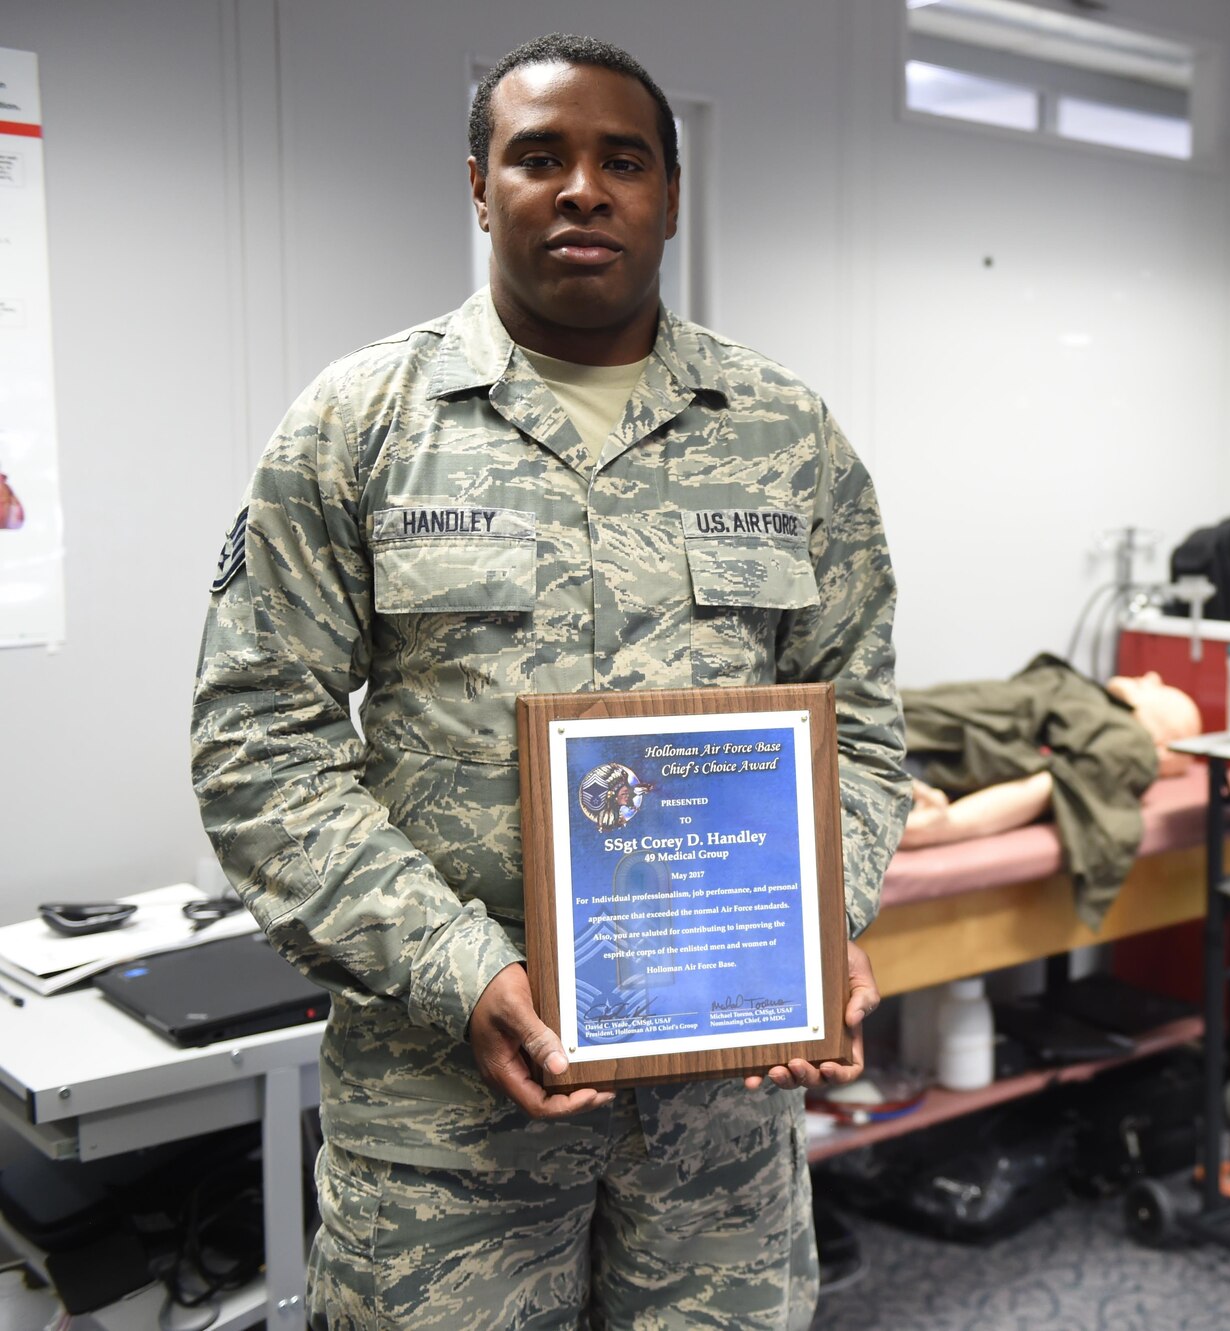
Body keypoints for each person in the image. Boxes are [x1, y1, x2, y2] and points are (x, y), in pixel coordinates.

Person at [189, 33, 909, 1330]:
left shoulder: (786, 437)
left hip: (720, 1127)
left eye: (622, 159)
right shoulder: (360, 425)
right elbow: (261, 741)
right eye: (539, 156)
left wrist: (820, 920)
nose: (583, 188)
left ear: (672, 195)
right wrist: (457, 966)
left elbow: (858, 719)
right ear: (479, 187)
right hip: (444, 1130)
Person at [898, 654, 1201, 927]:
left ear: (1164, 750)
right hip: (885, 717)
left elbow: (1051, 785)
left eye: (1162, 693)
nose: (1152, 677)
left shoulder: (1133, 745)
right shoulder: (1097, 703)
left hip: (905, 756)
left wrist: (943, 827)